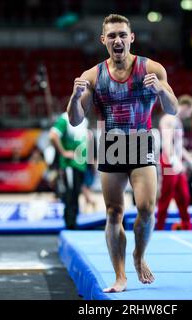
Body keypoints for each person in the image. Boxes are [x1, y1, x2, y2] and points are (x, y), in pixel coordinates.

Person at [66, 14, 178, 292]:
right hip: (112, 144)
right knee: (114, 212)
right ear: (103, 40)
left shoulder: (152, 68)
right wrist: (73, 98)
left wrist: (161, 89)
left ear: (131, 38)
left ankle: (139, 256)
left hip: (141, 140)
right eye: (112, 36)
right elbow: (76, 120)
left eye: (122, 35)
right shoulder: (92, 76)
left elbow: (173, 108)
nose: (118, 40)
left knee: (146, 209)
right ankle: (120, 275)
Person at [156, 94, 192, 230]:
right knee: (166, 196)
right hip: (168, 161)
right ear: (186, 107)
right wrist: (172, 160)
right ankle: (159, 227)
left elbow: (179, 147)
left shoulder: (178, 122)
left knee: (184, 196)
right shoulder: (168, 119)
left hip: (177, 163)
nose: (190, 115)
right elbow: (166, 142)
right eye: (191, 111)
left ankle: (187, 226)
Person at [50, 112, 89, 230]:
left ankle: (73, 223)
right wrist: (63, 152)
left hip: (81, 165)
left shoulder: (84, 120)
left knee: (76, 194)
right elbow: (53, 136)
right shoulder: (64, 119)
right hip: (70, 165)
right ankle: (70, 225)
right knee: (70, 196)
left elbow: (85, 142)